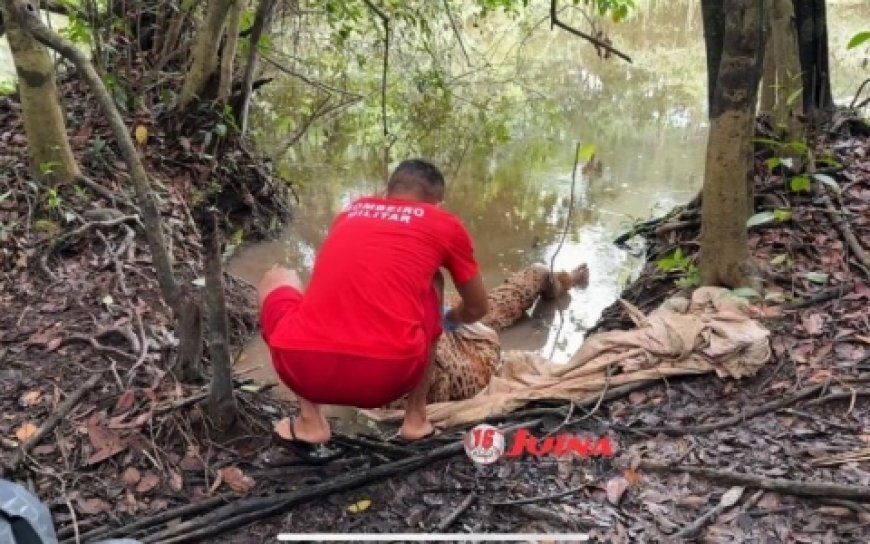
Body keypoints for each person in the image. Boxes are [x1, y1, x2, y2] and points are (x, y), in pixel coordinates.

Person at [257, 159, 488, 458]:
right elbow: (478, 307)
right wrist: (449, 320)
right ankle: (415, 420)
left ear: (385, 191)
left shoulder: (351, 211)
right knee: (435, 281)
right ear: (437, 205)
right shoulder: (444, 224)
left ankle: (310, 421)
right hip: (388, 378)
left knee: (279, 276)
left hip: (302, 369)